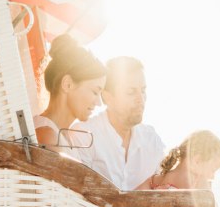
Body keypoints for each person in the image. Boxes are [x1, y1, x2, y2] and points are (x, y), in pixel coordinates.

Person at [70, 57, 165, 191]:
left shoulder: (152, 140)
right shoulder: (84, 135)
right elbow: (78, 197)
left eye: (143, 90)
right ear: (107, 97)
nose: (141, 99)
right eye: (131, 92)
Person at [32, 35, 106, 147]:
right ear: (68, 84)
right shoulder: (47, 137)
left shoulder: (65, 137)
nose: (99, 103)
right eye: (95, 92)